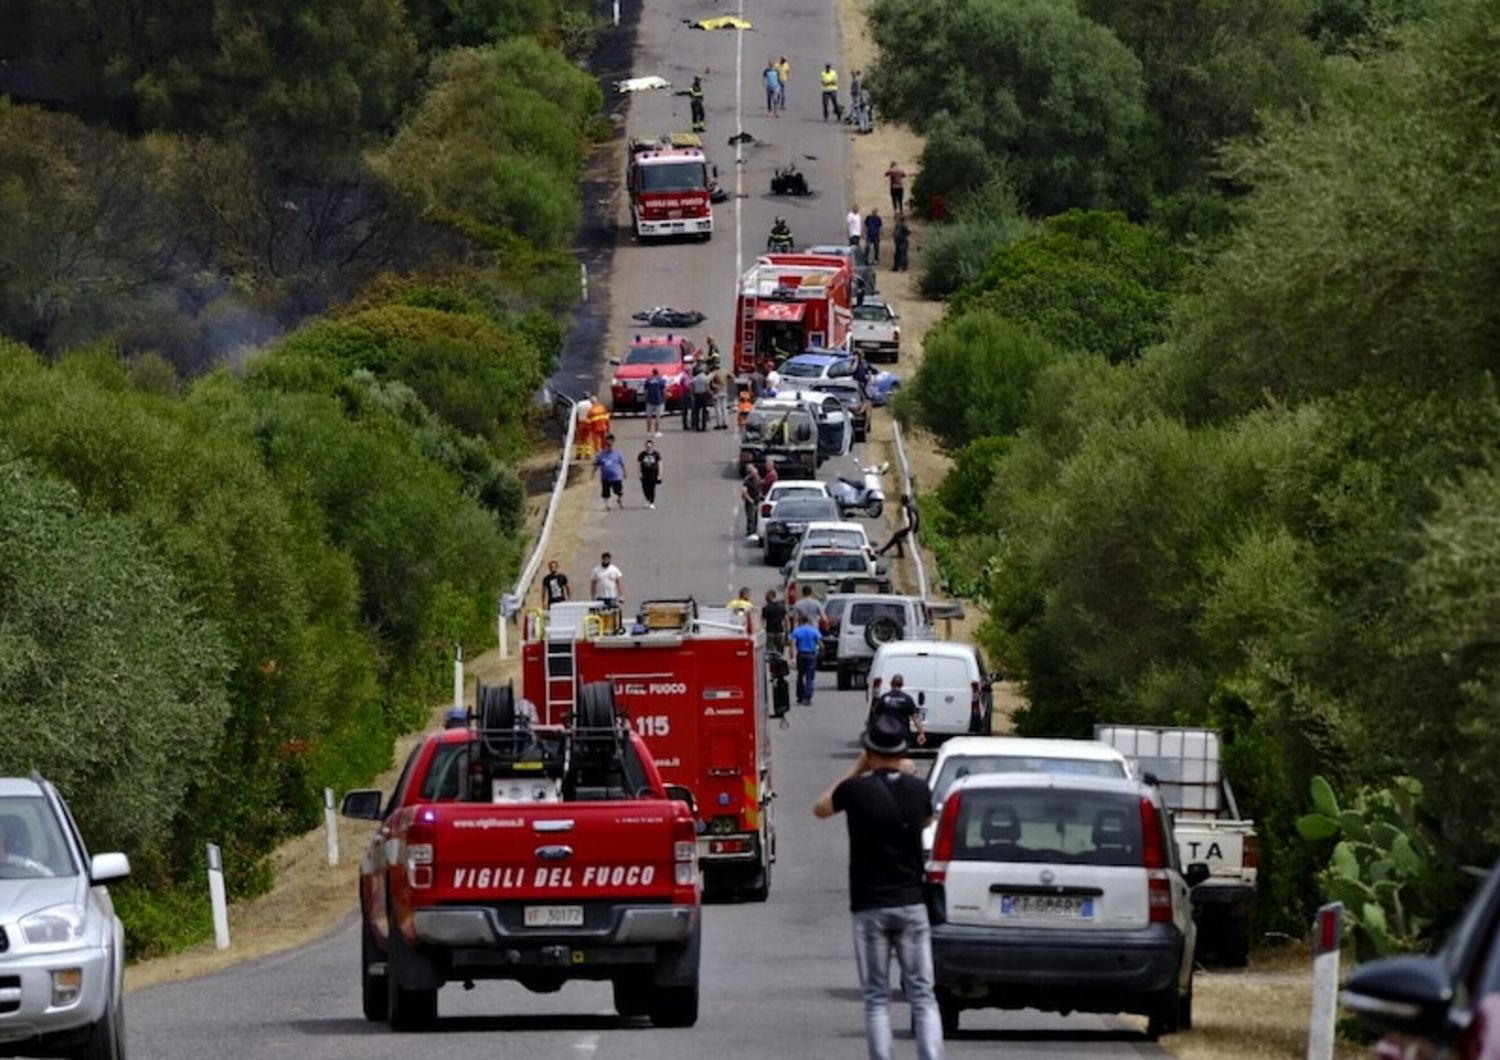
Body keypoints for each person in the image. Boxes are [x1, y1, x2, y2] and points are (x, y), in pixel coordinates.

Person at [813, 715, 943, 1060]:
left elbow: (821, 808)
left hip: (870, 905)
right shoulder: (917, 791)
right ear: (901, 752)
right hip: (912, 903)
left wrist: (858, 767)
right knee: (923, 995)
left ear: (869, 751)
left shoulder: (856, 791)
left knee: (876, 998)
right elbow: (928, 819)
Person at [868, 674, 927, 747]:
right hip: (901, 734)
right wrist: (921, 733)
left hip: (886, 733)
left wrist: (873, 733)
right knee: (899, 755)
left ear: (891, 683)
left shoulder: (884, 698)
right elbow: (915, 718)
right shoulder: (907, 699)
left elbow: (876, 716)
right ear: (902, 685)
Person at [790, 612, 824, 705]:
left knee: (800, 676)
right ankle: (808, 696)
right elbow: (820, 643)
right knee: (810, 677)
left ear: (800, 621)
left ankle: (800, 696)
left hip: (801, 655)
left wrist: (793, 657)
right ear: (809, 621)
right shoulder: (814, 631)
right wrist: (821, 652)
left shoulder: (797, 631)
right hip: (811, 655)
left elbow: (792, 644)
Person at [593, 433, 627, 511]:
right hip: (605, 477)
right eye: (608, 444)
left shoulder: (617, 453)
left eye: (611, 444)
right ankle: (606, 505)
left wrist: (624, 473)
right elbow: (596, 464)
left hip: (616, 477)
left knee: (619, 491)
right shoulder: (601, 454)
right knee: (606, 492)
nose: (609, 446)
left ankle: (619, 498)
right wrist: (593, 474)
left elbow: (622, 464)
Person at [637, 438, 663, 509]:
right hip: (644, 473)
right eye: (647, 446)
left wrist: (660, 474)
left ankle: (652, 502)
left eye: (650, 446)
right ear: (645, 446)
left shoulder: (656, 454)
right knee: (645, 488)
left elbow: (659, 464)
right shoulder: (642, 454)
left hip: (653, 473)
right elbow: (639, 464)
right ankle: (647, 499)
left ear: (652, 447)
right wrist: (639, 473)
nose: (648, 448)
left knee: (652, 488)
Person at [762, 589, 789, 656]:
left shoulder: (766, 608)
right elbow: (786, 619)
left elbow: (763, 621)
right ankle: (780, 663)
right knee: (780, 652)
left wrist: (763, 630)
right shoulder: (781, 607)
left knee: (771, 652)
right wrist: (787, 630)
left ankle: (773, 665)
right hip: (780, 631)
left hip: (770, 632)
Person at [740, 464, 762, 540]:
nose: (756, 474)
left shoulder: (757, 478)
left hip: (756, 500)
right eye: (754, 472)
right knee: (751, 517)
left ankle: (755, 531)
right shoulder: (747, 481)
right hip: (750, 502)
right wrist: (749, 499)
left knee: (756, 516)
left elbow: (759, 487)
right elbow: (744, 491)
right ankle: (750, 532)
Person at [643, 367, 667, 437]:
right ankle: (656, 432)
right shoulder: (661, 380)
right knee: (657, 417)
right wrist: (665, 398)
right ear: (658, 373)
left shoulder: (648, 380)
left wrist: (646, 399)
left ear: (652, 373)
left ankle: (648, 431)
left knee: (649, 417)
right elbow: (664, 391)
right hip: (658, 401)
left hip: (650, 401)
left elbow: (646, 392)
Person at [691, 363, 712, 431]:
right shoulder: (706, 378)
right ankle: (703, 426)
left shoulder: (695, 378)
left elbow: (693, 388)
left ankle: (697, 426)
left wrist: (692, 395)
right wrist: (711, 394)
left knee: (697, 411)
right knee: (703, 411)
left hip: (697, 395)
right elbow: (707, 387)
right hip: (703, 395)